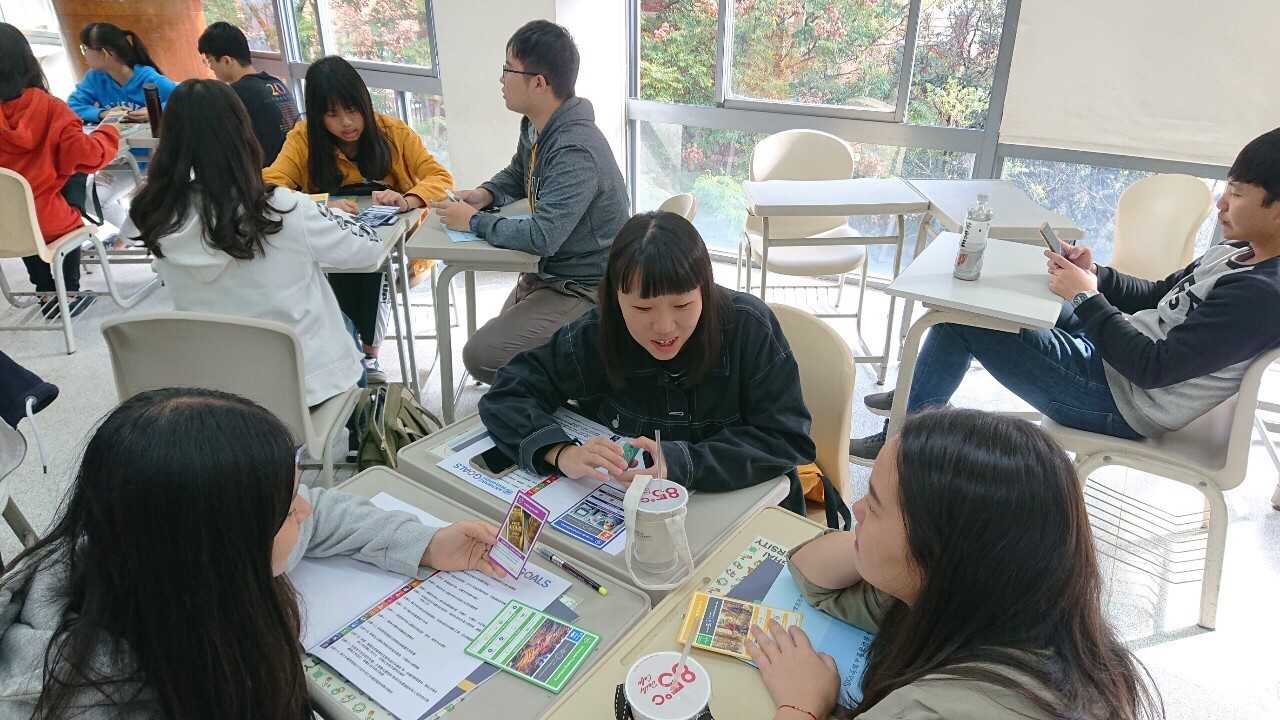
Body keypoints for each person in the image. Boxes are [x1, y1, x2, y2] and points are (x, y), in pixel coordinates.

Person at [0, 387, 503, 719]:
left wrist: (427, 543)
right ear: (223, 546)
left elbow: (318, 512)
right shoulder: (100, 698)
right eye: (284, 509)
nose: (304, 510)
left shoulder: (147, 550)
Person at [851, 128, 1280, 459]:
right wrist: (1095, 275)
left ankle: (902, 437)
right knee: (1000, 296)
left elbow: (1153, 368)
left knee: (960, 321)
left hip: (1120, 402)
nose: (1222, 204)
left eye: (1237, 194)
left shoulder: (1261, 296)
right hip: (1113, 357)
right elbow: (1157, 294)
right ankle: (919, 394)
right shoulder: (1235, 254)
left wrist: (1087, 298)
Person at [750, 408, 1163, 720]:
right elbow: (810, 572)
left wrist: (800, 705)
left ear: (937, 553)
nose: (855, 508)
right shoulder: (999, 599)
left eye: (873, 504)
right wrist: (871, 541)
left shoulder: (936, 710)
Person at [479, 211, 816, 513]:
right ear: (615, 298)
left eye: (682, 306)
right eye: (642, 308)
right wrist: (560, 452)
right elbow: (509, 391)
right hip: (636, 519)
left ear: (705, 291)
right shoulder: (597, 334)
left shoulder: (750, 328)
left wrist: (680, 461)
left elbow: (787, 439)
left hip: (745, 511)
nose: (664, 327)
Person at [124, 79, 384, 407]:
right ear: (243, 134)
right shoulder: (283, 208)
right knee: (344, 328)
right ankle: (358, 427)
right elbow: (369, 249)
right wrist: (326, 213)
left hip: (218, 396)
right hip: (306, 391)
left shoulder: (152, 211)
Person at [430, 20, 629, 385]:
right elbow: (519, 171)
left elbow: (543, 237)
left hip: (586, 285)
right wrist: (485, 194)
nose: (501, 78)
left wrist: (472, 221)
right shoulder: (537, 125)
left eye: (508, 69)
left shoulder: (574, 149)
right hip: (550, 272)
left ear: (539, 83)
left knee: (482, 356)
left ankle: (582, 377)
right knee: (497, 352)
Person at [265, 56, 452, 384]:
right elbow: (269, 188)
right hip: (330, 246)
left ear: (365, 103)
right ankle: (345, 349)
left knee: (371, 262)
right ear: (317, 114)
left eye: (353, 110)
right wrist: (323, 204)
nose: (346, 123)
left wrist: (407, 200)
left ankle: (366, 354)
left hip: (397, 251)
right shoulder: (304, 138)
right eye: (332, 114)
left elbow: (440, 177)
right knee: (333, 261)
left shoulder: (392, 132)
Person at [0, 23, 120, 317]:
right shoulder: (51, 108)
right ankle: (69, 293)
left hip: (4, 223)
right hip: (48, 219)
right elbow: (88, 157)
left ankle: (44, 291)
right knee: (64, 218)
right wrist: (109, 131)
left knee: (20, 218)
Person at [197, 21, 300, 166]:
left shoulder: (234, 93)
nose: (211, 67)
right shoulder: (276, 83)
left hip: (268, 175)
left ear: (227, 61)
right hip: (297, 169)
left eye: (209, 61)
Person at [66, 22, 176, 123]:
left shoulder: (149, 78)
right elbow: (72, 105)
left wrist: (156, 111)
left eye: (86, 49)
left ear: (105, 53)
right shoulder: (94, 77)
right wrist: (102, 114)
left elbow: (183, 100)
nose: (84, 54)